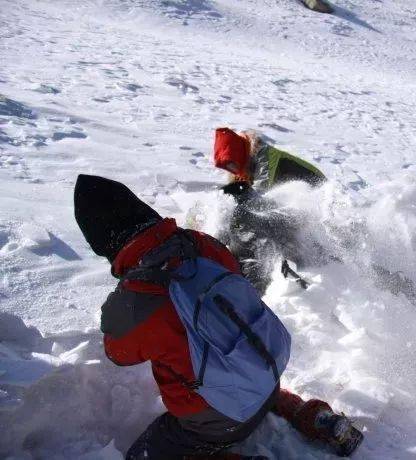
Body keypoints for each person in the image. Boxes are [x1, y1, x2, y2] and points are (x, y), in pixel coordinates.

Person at [73, 174, 362, 459]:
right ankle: (317, 418)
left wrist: (117, 308)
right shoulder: (201, 244)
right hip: (265, 370)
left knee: (146, 454)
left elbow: (118, 352)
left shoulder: (137, 299)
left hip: (217, 417)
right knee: (254, 392)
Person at [213, 127, 326, 294]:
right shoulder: (243, 168)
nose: (232, 169)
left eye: (232, 163)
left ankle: (270, 281)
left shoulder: (265, 156)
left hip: (316, 205)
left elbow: (259, 196)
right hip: (289, 210)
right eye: (227, 167)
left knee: (248, 219)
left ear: (239, 152)